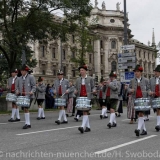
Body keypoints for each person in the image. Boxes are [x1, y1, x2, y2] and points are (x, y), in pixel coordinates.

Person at [128, 65, 149, 136]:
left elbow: (148, 89)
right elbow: (128, 89)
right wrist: (130, 90)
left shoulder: (146, 80)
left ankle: (138, 129)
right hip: (135, 99)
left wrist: (149, 92)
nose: (136, 73)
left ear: (140, 72)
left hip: (143, 99)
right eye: (135, 72)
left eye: (137, 71)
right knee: (140, 114)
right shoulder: (132, 81)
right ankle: (144, 130)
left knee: (141, 114)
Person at [75, 64, 96, 133]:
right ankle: (88, 127)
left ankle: (82, 126)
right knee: (84, 111)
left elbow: (93, 87)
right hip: (80, 97)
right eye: (80, 70)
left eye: (82, 70)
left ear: (85, 71)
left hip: (87, 97)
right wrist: (75, 91)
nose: (81, 71)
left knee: (85, 111)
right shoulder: (78, 79)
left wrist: (93, 90)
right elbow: (75, 88)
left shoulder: (90, 79)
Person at [16, 64, 36, 129]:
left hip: (29, 96)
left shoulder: (31, 77)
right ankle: (28, 123)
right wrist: (17, 91)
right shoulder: (19, 78)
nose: (22, 72)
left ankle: (27, 123)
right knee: (24, 109)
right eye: (21, 71)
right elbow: (17, 87)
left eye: (23, 71)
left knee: (26, 108)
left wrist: (32, 91)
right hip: (22, 96)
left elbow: (34, 86)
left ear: (26, 71)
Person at [148, 65, 160, 131]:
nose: (155, 73)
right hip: (154, 97)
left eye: (157, 72)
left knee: (159, 110)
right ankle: (158, 123)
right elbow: (148, 88)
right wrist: (149, 92)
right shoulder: (151, 79)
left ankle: (158, 124)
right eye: (155, 71)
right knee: (157, 110)